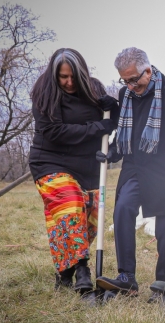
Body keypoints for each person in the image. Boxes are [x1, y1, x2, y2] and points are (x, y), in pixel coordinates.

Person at [94, 48, 165, 296]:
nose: (130, 85)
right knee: (123, 209)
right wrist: (111, 152)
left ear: (148, 70)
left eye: (134, 79)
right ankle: (127, 277)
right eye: (124, 80)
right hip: (135, 167)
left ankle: (164, 282)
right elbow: (128, 135)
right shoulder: (126, 94)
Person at [28, 48, 119, 296]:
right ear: (54, 75)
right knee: (70, 203)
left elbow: (110, 121)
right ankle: (82, 270)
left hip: (87, 164)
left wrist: (115, 109)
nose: (68, 82)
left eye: (72, 77)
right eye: (63, 77)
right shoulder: (43, 92)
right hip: (50, 161)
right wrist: (97, 127)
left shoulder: (94, 89)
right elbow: (54, 132)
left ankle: (65, 273)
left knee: (90, 218)